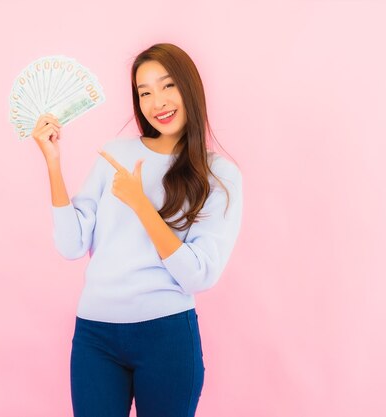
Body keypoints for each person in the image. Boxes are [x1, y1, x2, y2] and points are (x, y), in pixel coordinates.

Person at [30, 43, 243, 417]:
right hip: (96, 335)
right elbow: (71, 244)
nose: (156, 101)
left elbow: (199, 274)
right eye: (144, 93)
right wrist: (53, 163)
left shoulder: (219, 175)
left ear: (189, 88)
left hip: (168, 336)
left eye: (167, 86)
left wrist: (142, 204)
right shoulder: (115, 154)